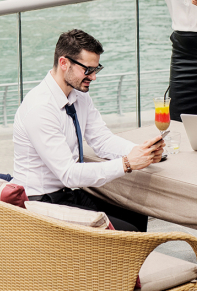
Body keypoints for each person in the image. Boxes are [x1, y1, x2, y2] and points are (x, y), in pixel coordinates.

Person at [12, 29, 165, 232]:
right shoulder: (40, 108)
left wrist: (141, 150)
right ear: (64, 63)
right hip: (41, 202)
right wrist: (127, 163)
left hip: (67, 193)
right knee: (129, 232)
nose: (93, 77)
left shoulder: (79, 96)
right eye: (88, 70)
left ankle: (121, 262)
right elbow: (68, 173)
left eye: (96, 69)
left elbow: (102, 141)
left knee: (136, 211)